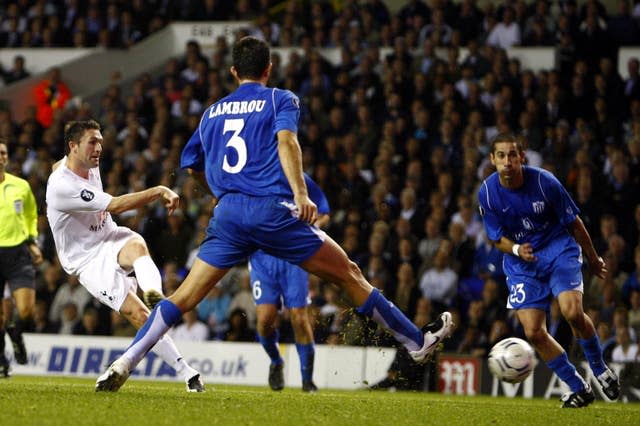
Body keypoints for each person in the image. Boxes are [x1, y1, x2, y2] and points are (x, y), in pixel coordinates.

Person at [96, 36, 454, 392]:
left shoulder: (211, 113)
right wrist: (301, 193)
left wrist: (219, 193)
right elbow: (287, 141)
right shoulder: (280, 98)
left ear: (234, 71)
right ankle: (415, 342)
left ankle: (124, 362)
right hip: (272, 212)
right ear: (269, 69)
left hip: (229, 215)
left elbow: (191, 167)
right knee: (348, 274)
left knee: (182, 299)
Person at [45, 120, 204, 392]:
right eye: (92, 143)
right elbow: (116, 204)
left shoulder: (76, 163)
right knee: (140, 316)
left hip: (109, 236)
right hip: (87, 260)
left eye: (100, 142)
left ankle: (154, 292)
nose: (98, 148)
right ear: (73, 147)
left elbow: (55, 165)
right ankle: (187, 372)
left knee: (138, 246)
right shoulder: (62, 186)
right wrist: (158, 190)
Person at [477, 132, 620, 408]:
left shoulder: (545, 182)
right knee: (533, 331)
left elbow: (575, 222)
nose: (508, 161)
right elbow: (496, 238)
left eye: (512, 155)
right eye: (501, 156)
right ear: (492, 160)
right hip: (521, 261)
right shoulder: (487, 192)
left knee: (571, 312)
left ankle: (600, 369)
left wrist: (593, 257)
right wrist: (518, 250)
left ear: (522, 157)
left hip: (558, 249)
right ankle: (578, 387)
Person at [249, 173, 329, 392]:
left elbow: (323, 212)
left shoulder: (298, 177)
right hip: (261, 258)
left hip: (292, 257)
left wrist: (308, 231)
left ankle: (307, 381)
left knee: (299, 318)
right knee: (265, 319)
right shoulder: (248, 172)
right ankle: (276, 361)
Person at [0, 140, 43, 377]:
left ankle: (15, 332)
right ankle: (1, 362)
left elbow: (29, 215)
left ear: (7, 158)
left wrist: (32, 241)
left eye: (3, 153)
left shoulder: (21, 186)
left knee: (25, 310)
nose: (0, 157)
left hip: (18, 253)